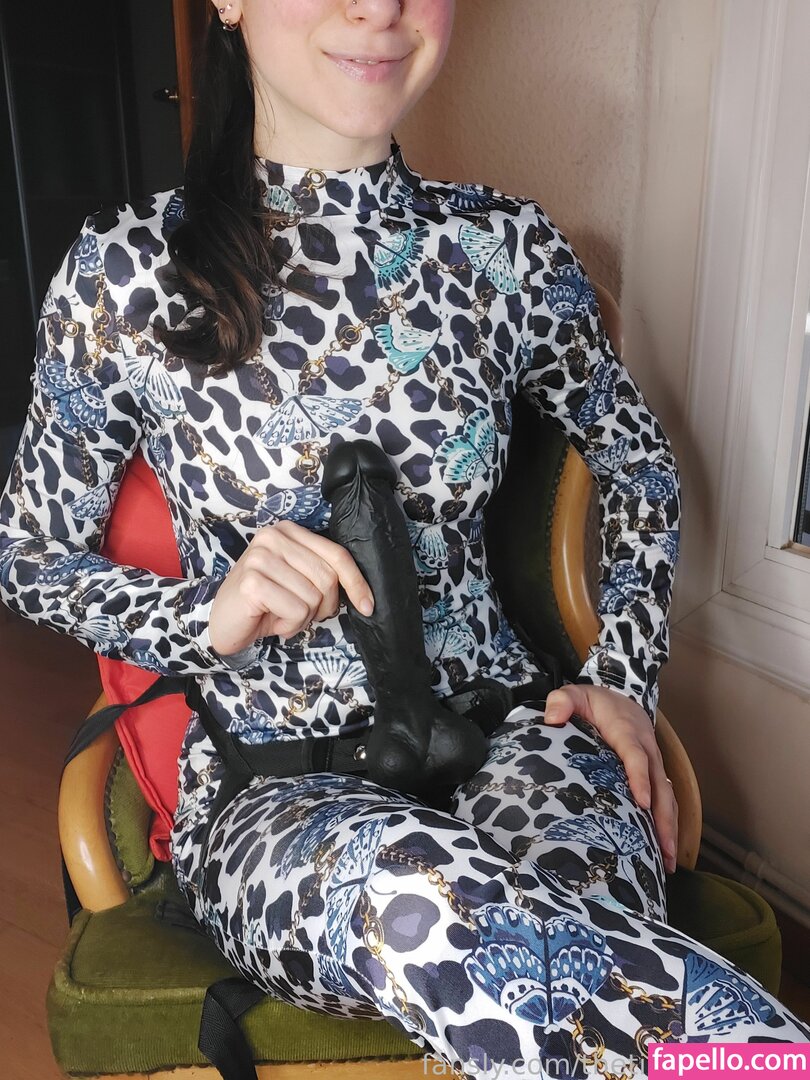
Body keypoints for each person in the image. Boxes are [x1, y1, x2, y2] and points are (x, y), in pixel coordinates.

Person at [1, 0, 808, 1076]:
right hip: (275, 785)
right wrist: (206, 614)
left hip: (515, 736)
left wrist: (624, 674)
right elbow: (30, 555)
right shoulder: (125, 271)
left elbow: (638, 462)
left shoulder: (504, 248)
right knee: (421, 899)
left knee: (567, 925)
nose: (377, 6)